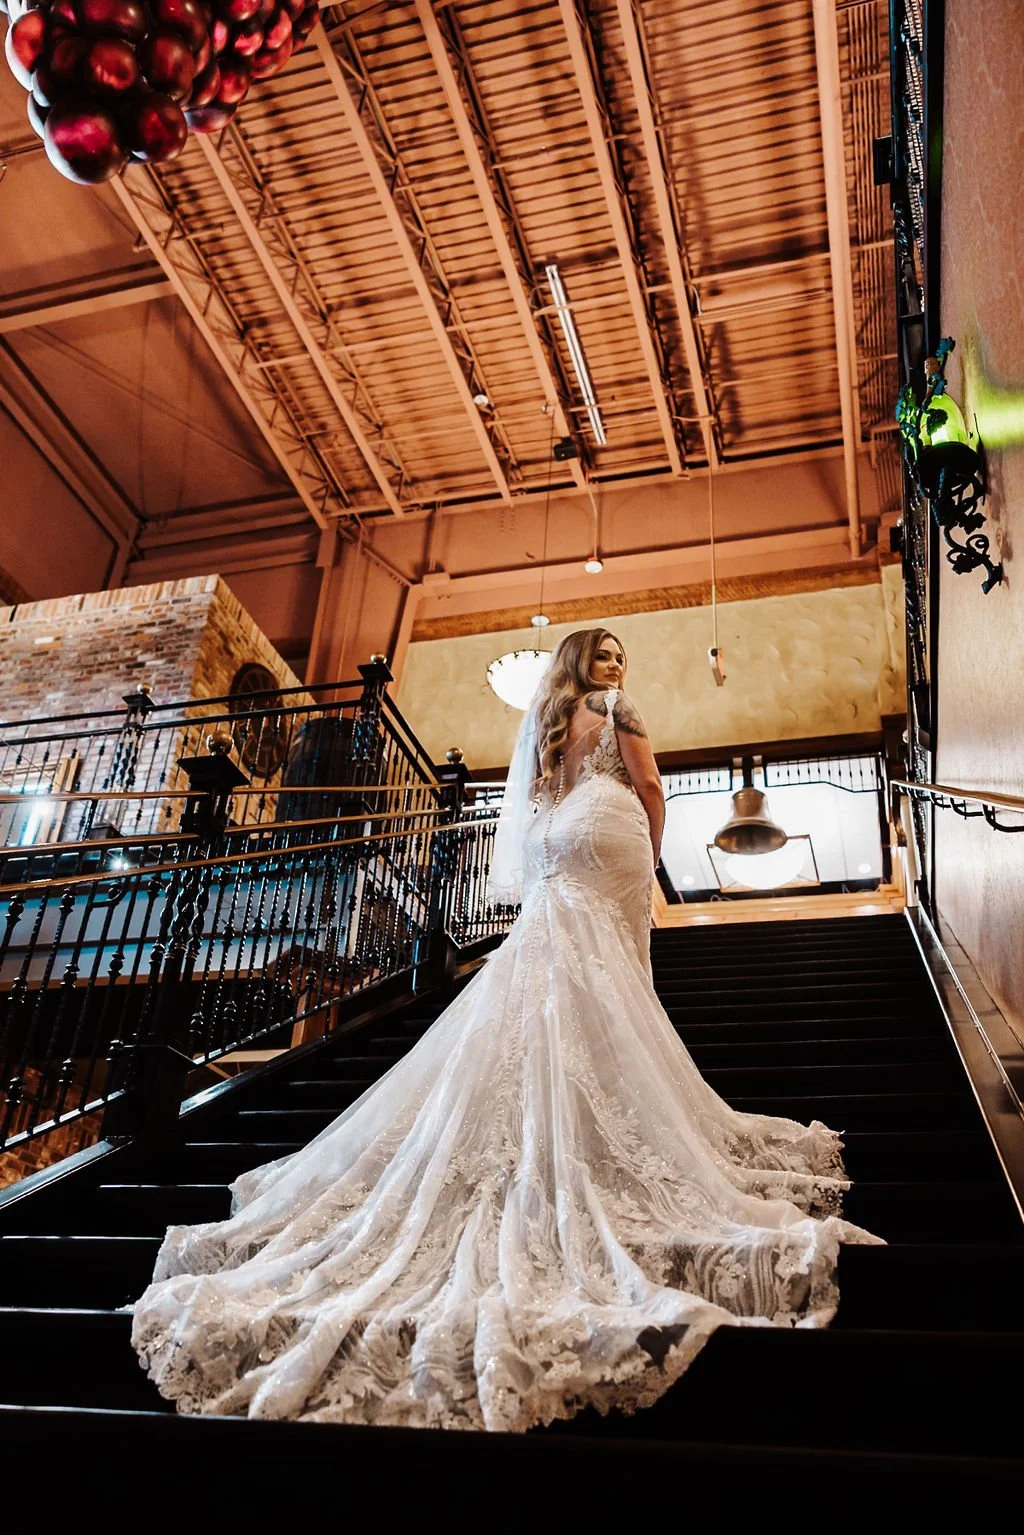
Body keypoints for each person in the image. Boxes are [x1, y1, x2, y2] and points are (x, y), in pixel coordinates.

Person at [131, 628, 881, 1431]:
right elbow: (652, 786)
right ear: (586, 664)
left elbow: (535, 807)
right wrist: (653, 863)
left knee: (551, 978)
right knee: (610, 982)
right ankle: (583, 1138)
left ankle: (539, 1132)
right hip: (605, 834)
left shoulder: (548, 717)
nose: (618, 666)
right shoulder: (615, 706)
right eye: (607, 653)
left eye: (623, 656)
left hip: (556, 844)